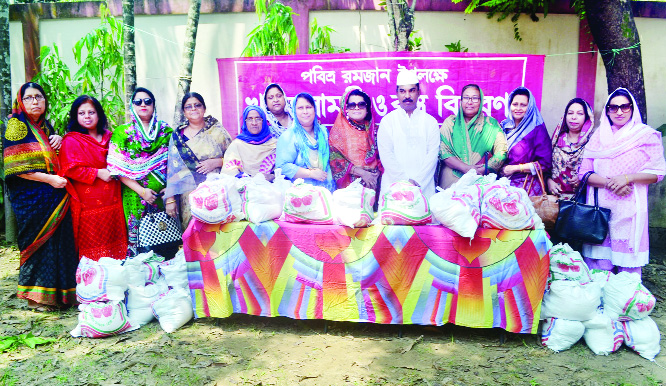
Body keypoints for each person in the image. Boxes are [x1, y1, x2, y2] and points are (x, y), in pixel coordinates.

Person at [2, 82, 77, 311]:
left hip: (54, 195)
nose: (35, 102)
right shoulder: (17, 126)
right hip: (31, 198)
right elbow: (16, 168)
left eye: (39, 97)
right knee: (38, 245)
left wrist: (59, 141)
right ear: (20, 102)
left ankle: (62, 295)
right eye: (29, 98)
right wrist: (50, 180)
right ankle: (38, 297)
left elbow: (51, 157)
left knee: (59, 243)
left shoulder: (45, 125)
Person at [579, 88, 666, 276]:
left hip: (630, 209)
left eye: (624, 107)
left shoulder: (646, 135)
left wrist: (627, 178)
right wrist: (611, 183)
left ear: (632, 108)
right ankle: (599, 300)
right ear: (608, 111)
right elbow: (584, 174)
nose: (619, 111)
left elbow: (658, 173)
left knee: (629, 268)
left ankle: (626, 301)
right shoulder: (598, 137)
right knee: (599, 266)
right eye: (614, 107)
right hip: (600, 211)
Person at [59, 95, 128, 261]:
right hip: (88, 205)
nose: (87, 116)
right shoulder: (72, 140)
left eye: (91, 112)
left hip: (113, 201)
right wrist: (97, 172)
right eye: (82, 113)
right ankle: (92, 282)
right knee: (92, 243)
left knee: (115, 239)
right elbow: (70, 169)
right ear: (76, 116)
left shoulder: (111, 137)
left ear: (99, 115)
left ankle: (115, 279)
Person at [107, 87, 172, 256]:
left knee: (164, 236)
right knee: (138, 239)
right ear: (132, 105)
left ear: (154, 105)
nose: (143, 104)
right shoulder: (122, 133)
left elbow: (176, 163)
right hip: (134, 195)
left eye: (148, 101)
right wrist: (142, 191)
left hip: (162, 196)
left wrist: (171, 190)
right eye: (138, 102)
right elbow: (117, 169)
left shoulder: (165, 131)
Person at [164, 92, 231, 229]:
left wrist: (216, 162)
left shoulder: (217, 131)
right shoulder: (178, 136)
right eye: (188, 107)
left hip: (216, 191)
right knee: (193, 232)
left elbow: (234, 159)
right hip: (188, 193)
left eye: (197, 105)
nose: (193, 109)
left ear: (204, 108)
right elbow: (172, 168)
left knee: (217, 231)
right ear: (184, 111)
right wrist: (170, 198)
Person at [377, 70, 439, 198]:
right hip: (393, 187)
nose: (407, 95)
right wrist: (405, 183)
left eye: (411, 90)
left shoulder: (430, 122)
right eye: (402, 91)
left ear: (418, 92)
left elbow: (432, 156)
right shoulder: (388, 121)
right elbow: (386, 155)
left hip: (423, 187)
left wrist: (417, 182)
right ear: (397, 93)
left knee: (423, 217)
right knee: (393, 218)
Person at [438, 84, 507, 189]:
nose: (470, 102)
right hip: (451, 181)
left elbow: (502, 152)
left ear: (481, 102)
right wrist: (467, 168)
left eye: (475, 98)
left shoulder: (491, 125)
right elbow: (443, 151)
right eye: (466, 98)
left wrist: (483, 169)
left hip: (480, 181)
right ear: (461, 101)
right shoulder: (450, 123)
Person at [275, 92, 336, 192]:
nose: (305, 111)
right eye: (300, 108)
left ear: (314, 109)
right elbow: (282, 166)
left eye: (308, 107)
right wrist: (310, 173)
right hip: (302, 194)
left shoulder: (323, 132)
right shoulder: (289, 136)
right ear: (294, 111)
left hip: (327, 190)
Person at [500, 87, 552, 196]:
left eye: (523, 105)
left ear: (530, 107)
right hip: (503, 185)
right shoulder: (503, 126)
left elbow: (545, 164)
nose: (518, 108)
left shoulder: (537, 130)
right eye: (515, 104)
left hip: (527, 188)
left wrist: (516, 168)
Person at [329, 87, 382, 191]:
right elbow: (335, 160)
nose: (357, 108)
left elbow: (385, 156)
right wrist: (362, 173)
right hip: (350, 187)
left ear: (367, 109)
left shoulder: (376, 131)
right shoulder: (338, 132)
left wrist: (377, 174)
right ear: (346, 109)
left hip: (374, 184)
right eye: (352, 105)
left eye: (361, 104)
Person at [547, 98, 595, 199]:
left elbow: (600, 169)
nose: (574, 117)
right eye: (570, 113)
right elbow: (545, 166)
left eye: (579, 114)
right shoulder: (556, 140)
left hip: (582, 201)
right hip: (554, 201)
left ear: (586, 117)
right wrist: (549, 181)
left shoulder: (592, 143)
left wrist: (584, 177)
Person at [221, 105, 277, 179]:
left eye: (258, 119)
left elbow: (282, 170)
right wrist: (244, 180)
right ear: (245, 122)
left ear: (263, 121)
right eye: (250, 119)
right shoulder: (237, 145)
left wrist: (272, 176)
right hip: (242, 187)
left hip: (270, 187)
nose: (254, 123)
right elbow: (229, 171)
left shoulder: (275, 144)